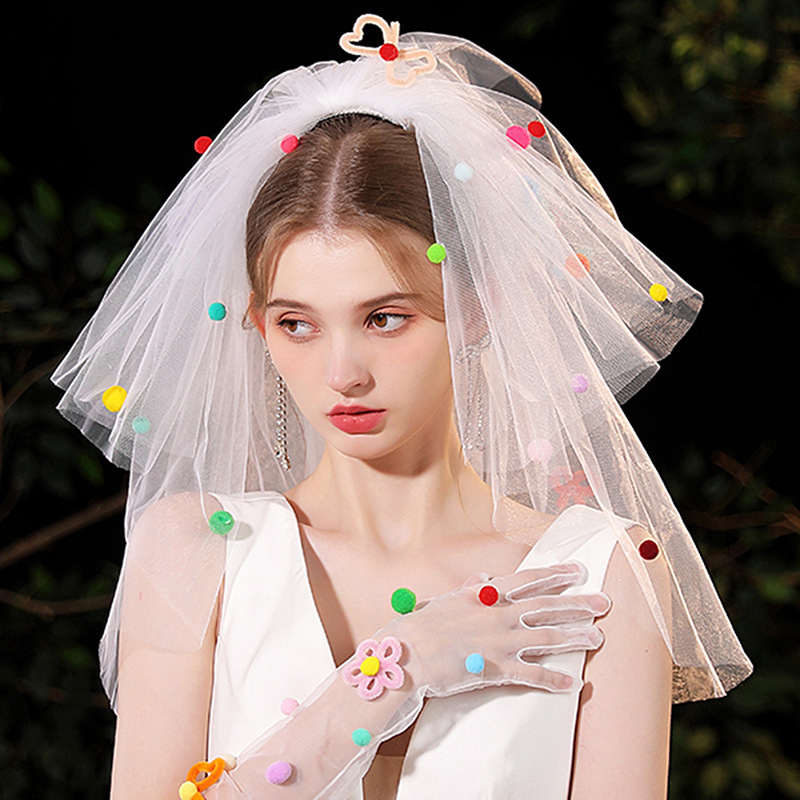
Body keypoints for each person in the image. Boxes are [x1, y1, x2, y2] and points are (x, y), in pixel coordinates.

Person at [52, 14, 752, 800]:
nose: (341, 373)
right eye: (296, 324)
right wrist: (395, 671)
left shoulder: (598, 571)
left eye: (385, 318)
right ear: (257, 324)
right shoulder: (191, 548)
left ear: (476, 310)